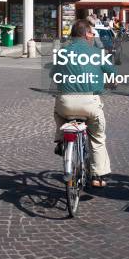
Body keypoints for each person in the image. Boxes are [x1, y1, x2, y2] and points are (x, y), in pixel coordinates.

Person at [50, 19, 116, 187]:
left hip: (66, 102)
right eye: (92, 33)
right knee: (98, 136)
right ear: (86, 34)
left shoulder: (63, 52)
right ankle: (98, 176)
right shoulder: (96, 53)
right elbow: (112, 72)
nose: (93, 36)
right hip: (89, 102)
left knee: (58, 113)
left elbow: (53, 73)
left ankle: (60, 140)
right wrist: (112, 82)